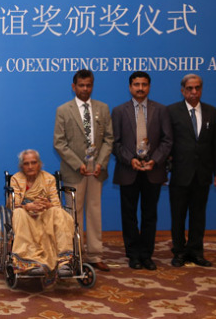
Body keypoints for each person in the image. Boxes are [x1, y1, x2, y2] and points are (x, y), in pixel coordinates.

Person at [53, 70, 114, 272]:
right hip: (74, 170)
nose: (85, 89)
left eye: (88, 85)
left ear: (92, 86)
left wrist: (101, 162)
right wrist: (77, 163)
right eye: (81, 85)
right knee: (73, 215)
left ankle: (95, 254)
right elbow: (59, 143)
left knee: (95, 212)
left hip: (96, 170)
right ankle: (73, 254)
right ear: (74, 87)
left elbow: (109, 139)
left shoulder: (103, 108)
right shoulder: (63, 110)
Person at [112, 71, 172, 270]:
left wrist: (155, 160)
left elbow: (167, 140)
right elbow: (115, 143)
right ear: (130, 87)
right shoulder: (119, 111)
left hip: (153, 170)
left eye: (144, 84)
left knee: (149, 214)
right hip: (129, 170)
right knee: (129, 215)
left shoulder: (161, 110)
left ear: (149, 87)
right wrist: (131, 160)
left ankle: (147, 255)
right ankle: (133, 255)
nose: (140, 88)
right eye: (136, 84)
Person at [168, 74, 216, 267]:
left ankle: (196, 251)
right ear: (183, 90)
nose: (194, 92)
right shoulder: (172, 111)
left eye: (197, 88)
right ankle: (180, 252)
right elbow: (167, 143)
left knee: (199, 215)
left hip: (203, 173)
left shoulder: (211, 111)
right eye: (190, 88)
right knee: (178, 215)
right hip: (179, 173)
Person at [10, 149, 75, 283]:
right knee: (18, 213)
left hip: (46, 214)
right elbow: (13, 204)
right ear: (22, 166)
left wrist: (47, 205)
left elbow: (56, 204)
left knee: (59, 213)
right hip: (26, 214)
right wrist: (26, 206)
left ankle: (64, 262)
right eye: (26, 163)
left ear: (39, 164)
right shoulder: (16, 179)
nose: (30, 166)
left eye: (33, 163)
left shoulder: (49, 179)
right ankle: (30, 262)